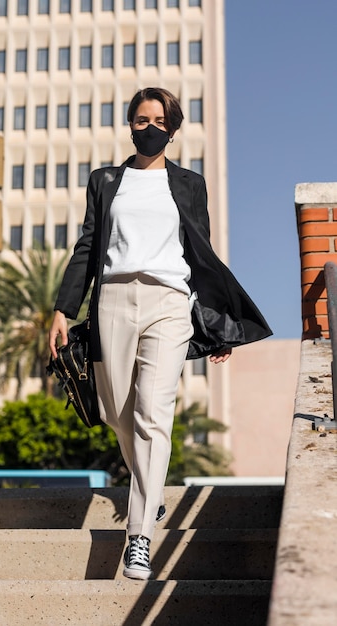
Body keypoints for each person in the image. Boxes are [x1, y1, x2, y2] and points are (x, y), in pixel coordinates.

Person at [49, 87, 272, 581]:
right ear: (129, 125)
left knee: (154, 412)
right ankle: (151, 491)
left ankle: (140, 536)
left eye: (157, 120)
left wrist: (218, 328)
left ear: (172, 128)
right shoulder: (106, 180)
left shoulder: (190, 184)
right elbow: (88, 246)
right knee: (115, 410)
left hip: (170, 304)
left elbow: (201, 254)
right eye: (138, 119)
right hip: (112, 299)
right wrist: (64, 310)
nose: (147, 127)